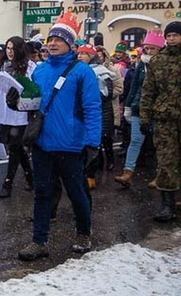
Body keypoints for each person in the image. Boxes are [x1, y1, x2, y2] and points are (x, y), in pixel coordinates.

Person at [15, 12, 101, 261]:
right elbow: (31, 104)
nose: (52, 43)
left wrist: (92, 143)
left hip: (71, 145)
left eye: (58, 40)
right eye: (50, 39)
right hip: (43, 143)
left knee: (77, 193)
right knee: (42, 193)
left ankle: (83, 234)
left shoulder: (82, 72)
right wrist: (15, 101)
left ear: (70, 44)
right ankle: (39, 241)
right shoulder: (40, 71)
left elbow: (92, 108)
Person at [140, 21, 181, 222]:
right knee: (166, 160)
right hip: (165, 118)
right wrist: (145, 116)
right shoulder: (158, 61)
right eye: (169, 35)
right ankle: (167, 205)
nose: (172, 39)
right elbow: (148, 91)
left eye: (176, 35)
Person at [114, 30, 165, 187]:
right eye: (147, 48)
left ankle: (161, 176)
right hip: (139, 108)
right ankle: (127, 173)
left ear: (159, 49)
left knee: (160, 143)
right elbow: (134, 86)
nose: (148, 51)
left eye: (152, 48)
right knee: (136, 140)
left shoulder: (165, 65)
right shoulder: (141, 65)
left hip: (159, 109)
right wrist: (129, 106)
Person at [0, 36, 36, 198]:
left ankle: (8, 183)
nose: (10, 52)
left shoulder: (29, 66)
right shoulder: (3, 65)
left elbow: (32, 87)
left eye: (13, 49)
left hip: (20, 111)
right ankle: (30, 177)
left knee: (15, 147)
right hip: (5, 109)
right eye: (8, 48)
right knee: (17, 147)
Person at [77, 44, 117, 188]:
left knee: (99, 142)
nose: (80, 56)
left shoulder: (102, 72)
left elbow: (107, 94)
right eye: (79, 53)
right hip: (82, 113)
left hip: (100, 113)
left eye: (84, 53)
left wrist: (87, 95)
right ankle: (88, 172)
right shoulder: (77, 71)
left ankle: (92, 174)